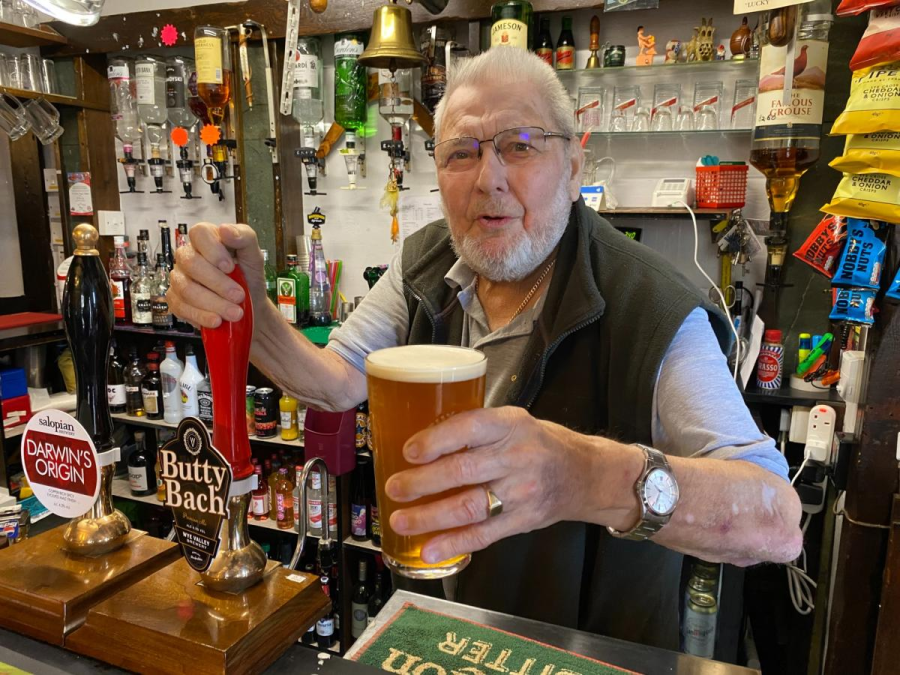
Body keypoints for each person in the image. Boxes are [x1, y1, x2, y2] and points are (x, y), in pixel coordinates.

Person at [168, 48, 802, 649]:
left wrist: (583, 476)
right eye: (462, 153)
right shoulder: (427, 258)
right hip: (436, 630)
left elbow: (774, 521)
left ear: (575, 165)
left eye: (519, 146)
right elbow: (334, 381)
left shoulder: (654, 305)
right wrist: (246, 307)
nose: (488, 179)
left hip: (586, 654)